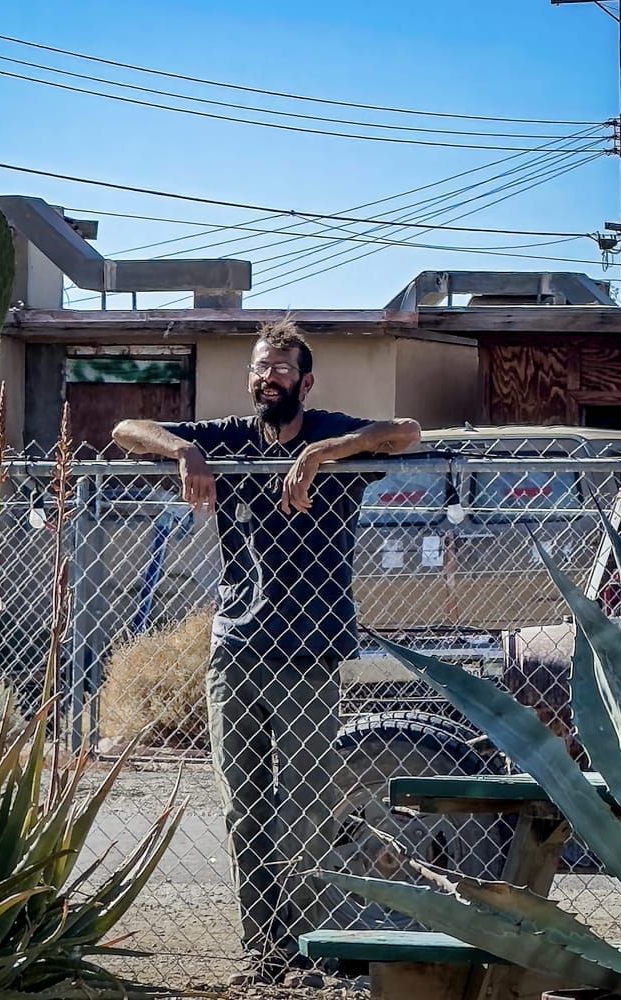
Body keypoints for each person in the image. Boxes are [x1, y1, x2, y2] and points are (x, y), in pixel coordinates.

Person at [113, 317, 420, 986]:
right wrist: (183, 453)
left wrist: (322, 454)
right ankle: (267, 954)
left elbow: (408, 431)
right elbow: (123, 430)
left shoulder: (330, 431)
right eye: (259, 368)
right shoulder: (228, 439)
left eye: (280, 369)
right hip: (235, 655)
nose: (267, 378)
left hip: (308, 657)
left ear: (304, 381)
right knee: (243, 808)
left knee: (306, 805)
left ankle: (311, 950)